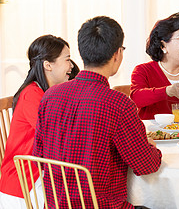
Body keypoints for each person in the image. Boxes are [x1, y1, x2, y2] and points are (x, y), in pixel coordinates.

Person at [32, 16, 162, 209]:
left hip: (56, 205)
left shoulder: (50, 95)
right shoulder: (118, 103)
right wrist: (150, 147)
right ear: (117, 54)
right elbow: (145, 165)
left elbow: (38, 155)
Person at [0, 35, 75, 209]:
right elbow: (56, 136)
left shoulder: (46, 93)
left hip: (41, 172)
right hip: (24, 180)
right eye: (67, 60)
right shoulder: (32, 95)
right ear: (48, 65)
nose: (71, 66)